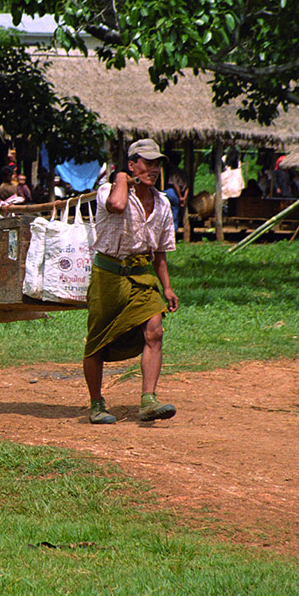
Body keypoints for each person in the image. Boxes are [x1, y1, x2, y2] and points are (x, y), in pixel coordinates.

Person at [83, 139, 179, 425]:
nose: (153, 169)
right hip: (108, 276)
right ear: (132, 165)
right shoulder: (108, 191)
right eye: (147, 163)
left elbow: (160, 250)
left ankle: (148, 400)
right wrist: (121, 179)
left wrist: (167, 287)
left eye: (157, 164)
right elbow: (117, 204)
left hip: (141, 275)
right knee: (97, 343)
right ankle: (96, 403)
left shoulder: (162, 203)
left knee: (155, 331)